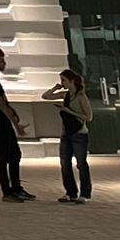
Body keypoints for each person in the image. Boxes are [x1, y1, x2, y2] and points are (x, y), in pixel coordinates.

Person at [0, 45, 34, 202]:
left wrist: (14, 116)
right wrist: (16, 124)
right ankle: (7, 192)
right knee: (3, 156)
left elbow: (5, 103)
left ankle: (16, 188)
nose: (4, 63)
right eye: (2, 60)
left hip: (2, 120)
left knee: (15, 154)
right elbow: (1, 105)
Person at [43, 68, 93, 203]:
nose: (62, 83)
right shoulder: (65, 95)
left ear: (72, 81)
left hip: (79, 134)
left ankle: (85, 194)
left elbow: (88, 117)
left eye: (64, 80)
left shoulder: (81, 97)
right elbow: (45, 96)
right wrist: (55, 87)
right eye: (61, 80)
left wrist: (68, 111)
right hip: (66, 133)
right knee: (65, 163)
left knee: (81, 163)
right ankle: (70, 192)